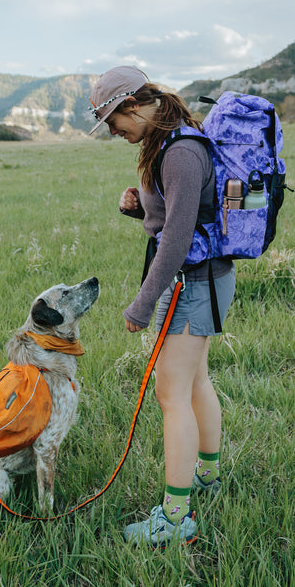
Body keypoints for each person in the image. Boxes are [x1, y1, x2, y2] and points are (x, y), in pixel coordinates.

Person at [88, 66, 236, 548]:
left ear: (133, 105)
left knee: (170, 393)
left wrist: (141, 305)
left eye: (113, 122)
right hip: (202, 281)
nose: (114, 132)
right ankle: (207, 477)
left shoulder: (182, 152)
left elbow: (176, 239)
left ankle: (175, 519)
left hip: (192, 285)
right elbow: (177, 219)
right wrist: (141, 210)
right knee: (194, 381)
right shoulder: (172, 146)